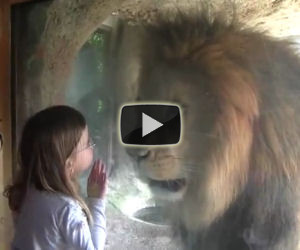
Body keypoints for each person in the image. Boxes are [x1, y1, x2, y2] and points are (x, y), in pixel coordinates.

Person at [4, 105, 108, 250]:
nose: (92, 145)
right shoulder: (66, 210)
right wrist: (97, 201)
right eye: (88, 143)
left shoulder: (27, 192)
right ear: (69, 163)